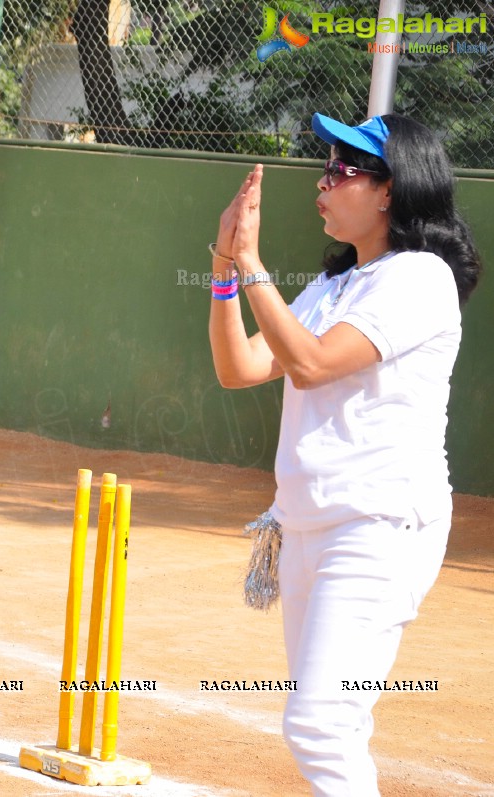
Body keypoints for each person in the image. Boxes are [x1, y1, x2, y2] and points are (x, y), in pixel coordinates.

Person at [208, 113, 481, 795]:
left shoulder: (419, 277)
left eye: (342, 170)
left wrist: (250, 264)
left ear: (390, 189)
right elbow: (241, 365)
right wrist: (221, 267)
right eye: (325, 167)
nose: (322, 182)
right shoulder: (332, 286)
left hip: (377, 527)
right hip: (307, 526)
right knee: (335, 719)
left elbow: (311, 364)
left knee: (319, 721)